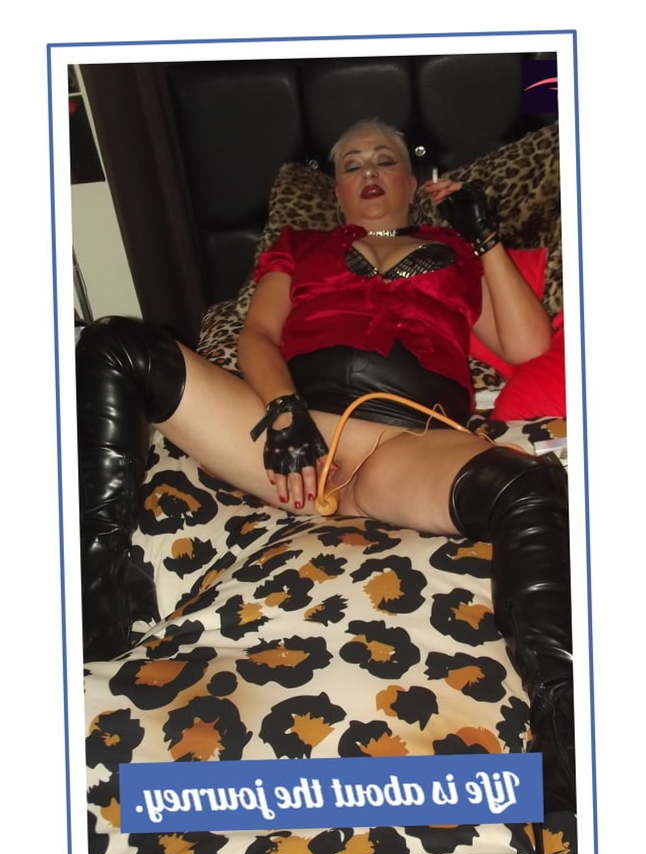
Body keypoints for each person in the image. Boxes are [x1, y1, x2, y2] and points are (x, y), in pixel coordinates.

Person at [76, 119, 574, 815]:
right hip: (288, 437)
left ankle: (565, 741)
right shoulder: (300, 245)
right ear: (336, 188)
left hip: (402, 445)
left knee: (527, 487)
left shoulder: (460, 254)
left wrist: (483, 235)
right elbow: (257, 334)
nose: (368, 172)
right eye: (351, 163)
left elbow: (526, 348)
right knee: (113, 344)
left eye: (385, 159)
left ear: (411, 180)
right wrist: (283, 411)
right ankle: (98, 612)